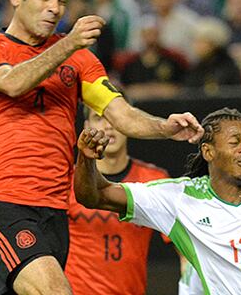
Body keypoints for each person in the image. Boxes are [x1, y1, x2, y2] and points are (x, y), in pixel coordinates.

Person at [0, 0, 203, 295]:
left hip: (56, 211)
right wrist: (68, 43)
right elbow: (13, 83)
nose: (54, 8)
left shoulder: (80, 61)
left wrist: (165, 127)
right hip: (5, 204)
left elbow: (120, 114)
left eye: (61, 0)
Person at [75, 108, 241, 295]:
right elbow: (96, 195)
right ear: (208, 152)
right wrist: (86, 158)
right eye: (235, 142)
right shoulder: (181, 200)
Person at [65, 106, 172, 295]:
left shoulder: (154, 180)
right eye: (99, 118)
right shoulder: (66, 180)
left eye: (115, 118)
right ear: (86, 126)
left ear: (130, 123)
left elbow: (185, 246)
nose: (108, 126)